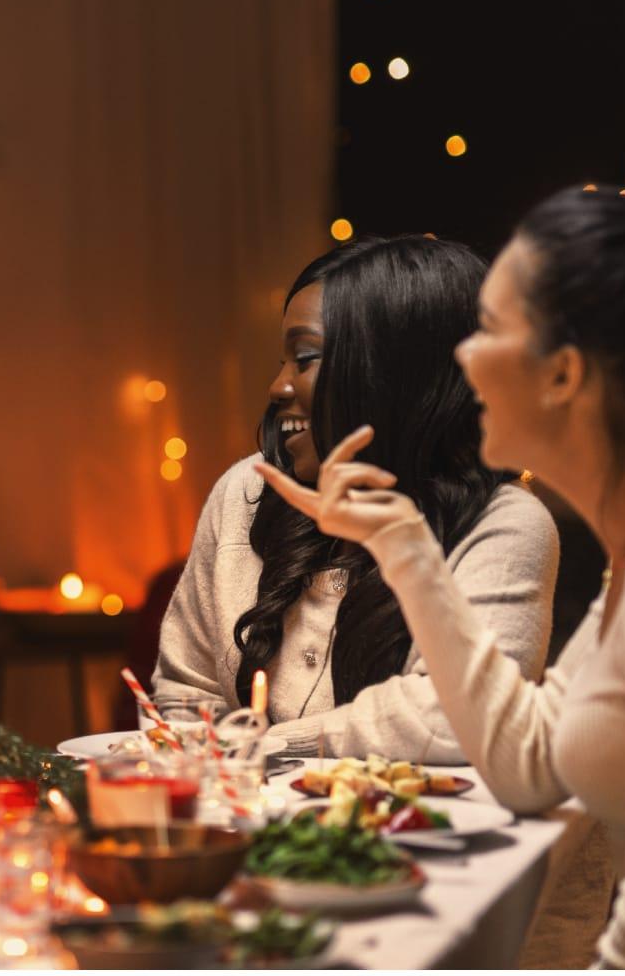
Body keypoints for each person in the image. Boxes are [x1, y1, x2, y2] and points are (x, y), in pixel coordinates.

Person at [260, 187, 625, 968]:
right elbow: (530, 766)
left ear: (562, 374)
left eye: (490, 331)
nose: (459, 358)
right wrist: (408, 551)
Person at [154, 236, 557, 761]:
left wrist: (264, 747)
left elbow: (455, 719)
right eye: (282, 360)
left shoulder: (504, 525)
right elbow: (186, 695)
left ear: (396, 375)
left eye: (305, 357)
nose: (278, 387)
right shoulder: (248, 491)